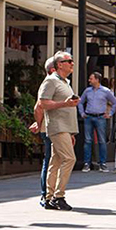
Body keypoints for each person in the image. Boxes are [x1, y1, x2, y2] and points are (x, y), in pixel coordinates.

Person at [38, 51, 80, 210]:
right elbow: (43, 103)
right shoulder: (50, 81)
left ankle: (49, 197)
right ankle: (58, 196)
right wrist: (65, 104)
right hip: (57, 127)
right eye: (69, 61)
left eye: (72, 60)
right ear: (59, 64)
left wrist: (71, 132)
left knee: (55, 161)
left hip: (65, 128)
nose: (72, 63)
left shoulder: (64, 82)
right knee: (70, 159)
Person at [29, 56, 57, 206]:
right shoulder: (49, 83)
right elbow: (39, 106)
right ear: (53, 69)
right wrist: (39, 123)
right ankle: (46, 195)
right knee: (50, 160)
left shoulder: (55, 83)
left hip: (55, 128)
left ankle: (51, 194)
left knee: (53, 160)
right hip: (50, 128)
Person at [78, 71, 116, 172]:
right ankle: (87, 163)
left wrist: (110, 114)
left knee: (102, 141)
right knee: (87, 140)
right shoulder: (87, 91)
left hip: (100, 117)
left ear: (97, 79)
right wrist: (82, 113)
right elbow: (80, 102)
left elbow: (114, 102)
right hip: (88, 117)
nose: (89, 80)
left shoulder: (106, 91)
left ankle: (102, 163)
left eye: (91, 78)